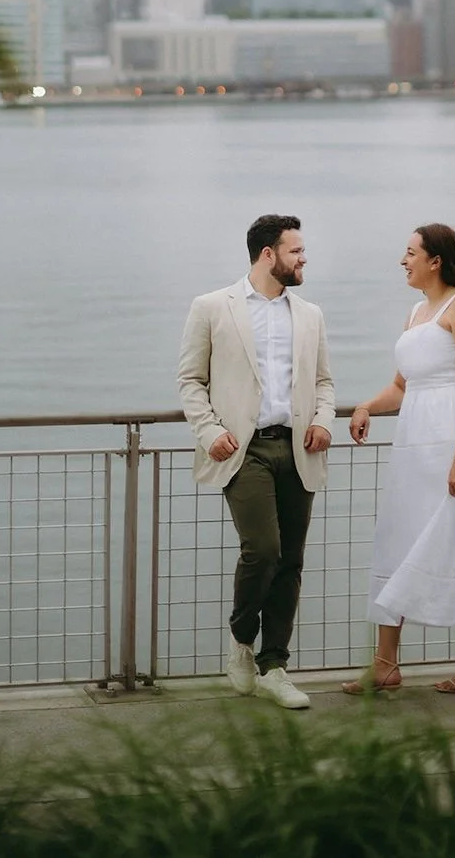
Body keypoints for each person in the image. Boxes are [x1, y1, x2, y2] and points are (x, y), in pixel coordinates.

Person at [179, 214, 335, 710]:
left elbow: (325, 383)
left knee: (290, 562)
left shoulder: (310, 314)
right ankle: (242, 640)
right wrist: (210, 431)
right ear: (268, 254)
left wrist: (325, 421)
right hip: (242, 450)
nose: (303, 258)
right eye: (296, 250)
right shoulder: (211, 307)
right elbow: (190, 381)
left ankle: (275, 666)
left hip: (298, 449)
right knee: (263, 550)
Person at [342, 223, 455, 695]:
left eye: (410, 253)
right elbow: (402, 385)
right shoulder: (416, 311)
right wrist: (368, 406)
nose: (402, 260)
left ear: (436, 260)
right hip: (415, 442)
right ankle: (385, 664)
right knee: (400, 536)